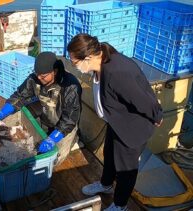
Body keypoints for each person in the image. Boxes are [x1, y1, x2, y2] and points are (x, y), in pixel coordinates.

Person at [67, 34, 163, 211]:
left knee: (126, 169)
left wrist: (157, 116)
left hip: (131, 129)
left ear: (87, 58)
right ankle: (106, 184)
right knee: (110, 154)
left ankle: (120, 205)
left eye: (75, 63)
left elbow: (141, 100)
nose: (75, 67)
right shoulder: (100, 61)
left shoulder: (116, 72)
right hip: (116, 122)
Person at [0, 52, 82, 164]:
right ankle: (50, 132)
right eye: (37, 74)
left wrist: (53, 139)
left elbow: (69, 119)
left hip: (65, 127)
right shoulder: (35, 78)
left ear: (54, 71)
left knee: (55, 160)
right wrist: (2, 112)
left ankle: (74, 140)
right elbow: (20, 96)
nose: (39, 78)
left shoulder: (70, 86)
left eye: (43, 76)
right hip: (48, 117)